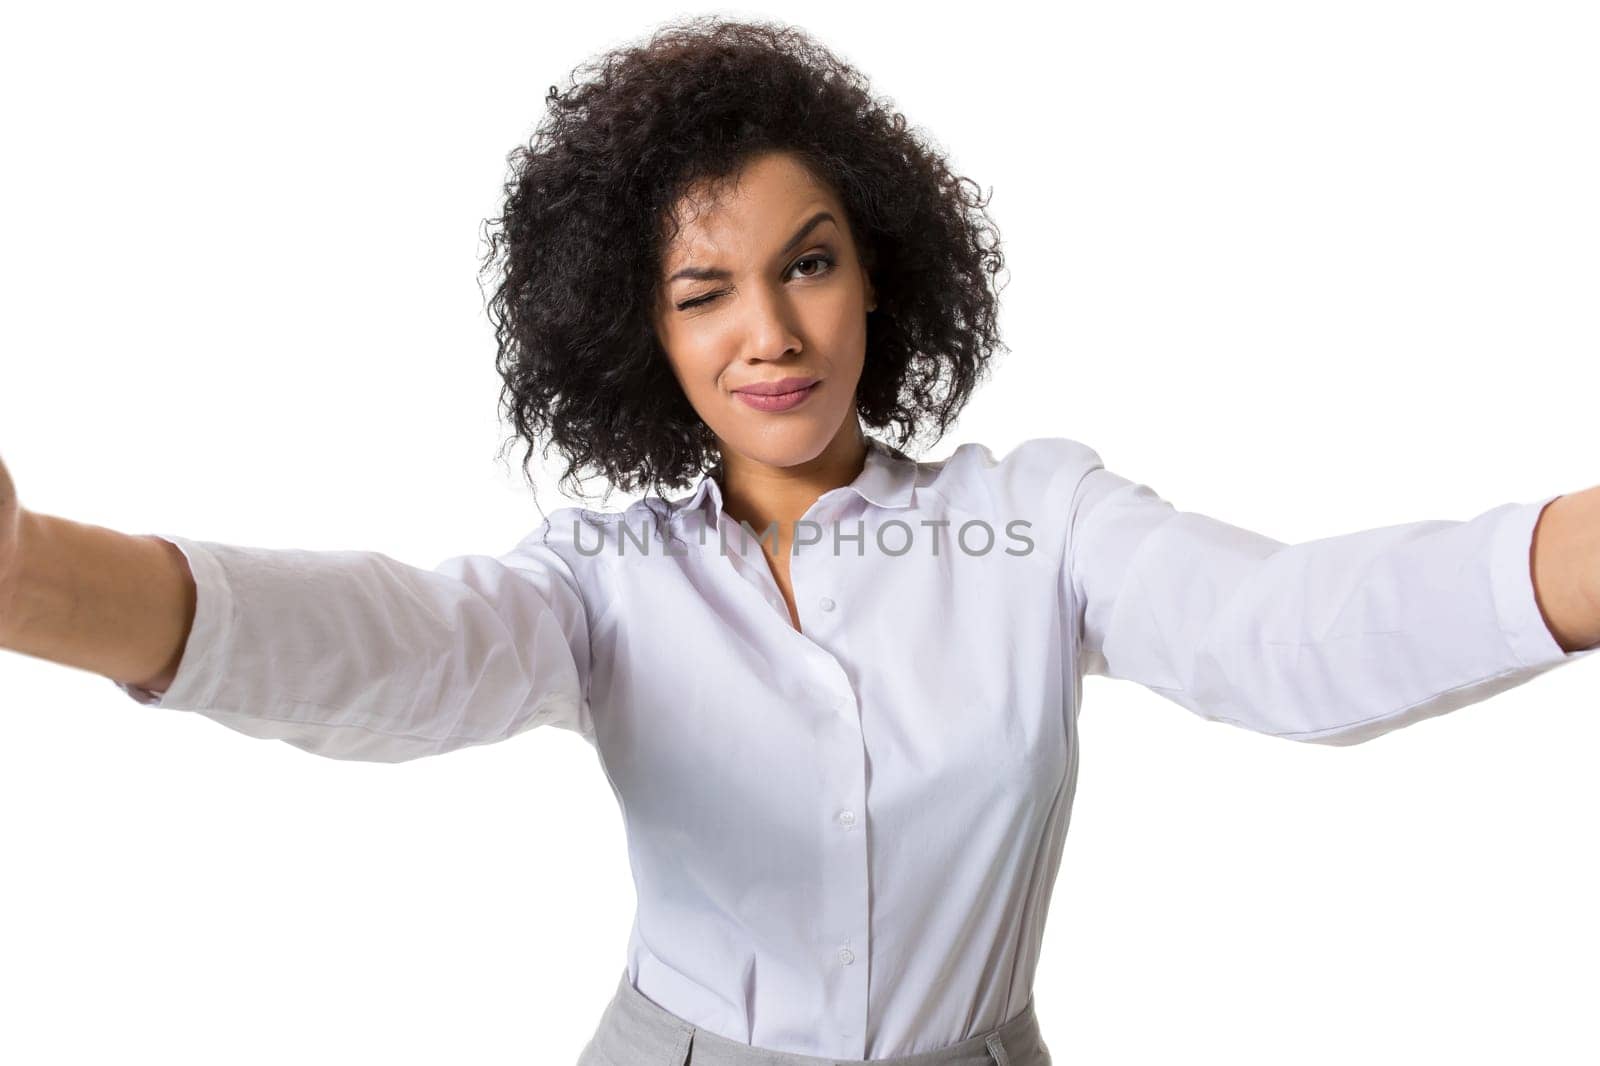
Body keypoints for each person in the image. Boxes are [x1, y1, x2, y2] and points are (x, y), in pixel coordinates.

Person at [1, 14, 1597, 1066]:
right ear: (642, 336)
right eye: (704, 293)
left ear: (880, 271)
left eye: (809, 265)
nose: (771, 332)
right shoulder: (603, 579)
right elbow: (390, 646)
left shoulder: (1034, 519)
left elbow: (1293, 633)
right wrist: (32, 575)